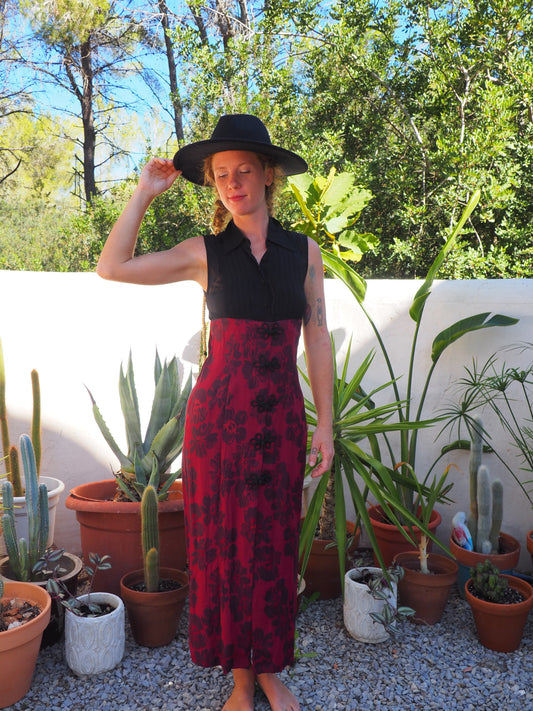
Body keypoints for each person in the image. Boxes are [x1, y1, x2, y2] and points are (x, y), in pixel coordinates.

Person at [97, 113, 334, 711]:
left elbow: (319, 337)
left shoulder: (304, 254)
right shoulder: (205, 253)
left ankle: (273, 668)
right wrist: (144, 193)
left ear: (268, 175)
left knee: (276, 542)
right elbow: (112, 266)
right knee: (223, 543)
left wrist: (325, 423)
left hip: (280, 418)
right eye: (222, 174)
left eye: (244, 171)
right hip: (218, 421)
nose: (233, 183)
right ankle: (237, 675)